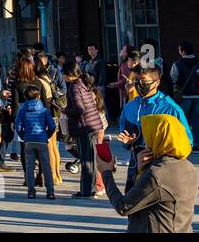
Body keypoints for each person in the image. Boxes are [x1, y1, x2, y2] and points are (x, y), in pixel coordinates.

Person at [97, 113, 196, 233]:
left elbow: (123, 207)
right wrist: (141, 170)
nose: (145, 142)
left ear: (159, 138)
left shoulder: (158, 174)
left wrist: (106, 172)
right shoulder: (187, 166)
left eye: (149, 136)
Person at [117, 64, 192, 190]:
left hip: (162, 171)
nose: (140, 85)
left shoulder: (171, 109)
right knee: (129, 207)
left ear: (157, 82)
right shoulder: (129, 107)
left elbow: (187, 143)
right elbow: (124, 138)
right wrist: (129, 142)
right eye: (137, 81)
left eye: (144, 82)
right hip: (136, 167)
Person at [63, 62, 106, 198]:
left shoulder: (74, 87)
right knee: (92, 159)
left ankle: (86, 191)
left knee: (86, 160)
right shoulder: (84, 83)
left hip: (84, 127)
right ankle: (92, 189)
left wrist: (65, 110)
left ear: (69, 75)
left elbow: (79, 109)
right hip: (94, 125)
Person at [14, 84, 57, 200]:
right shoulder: (44, 110)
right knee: (46, 167)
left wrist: (24, 136)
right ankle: (50, 192)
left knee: (29, 167)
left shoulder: (22, 111)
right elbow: (52, 126)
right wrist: (46, 135)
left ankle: (31, 192)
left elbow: (18, 127)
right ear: (38, 96)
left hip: (28, 141)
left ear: (26, 97)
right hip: (42, 140)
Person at [170, 41, 199, 138]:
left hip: (183, 97)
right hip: (197, 96)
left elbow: (173, 79)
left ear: (182, 51)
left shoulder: (177, 64)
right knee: (197, 120)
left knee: (183, 120)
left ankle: (185, 141)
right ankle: (197, 143)